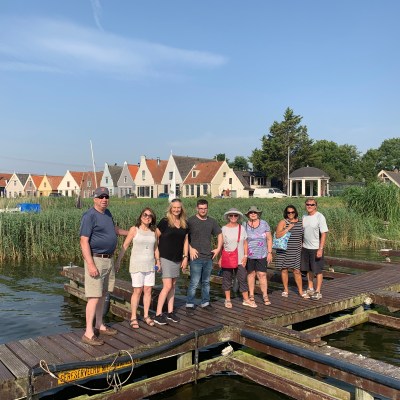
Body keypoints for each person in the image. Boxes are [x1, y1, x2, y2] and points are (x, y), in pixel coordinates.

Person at [80, 187, 128, 346]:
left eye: (106, 196)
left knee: (102, 295)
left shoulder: (107, 214)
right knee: (93, 297)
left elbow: (113, 230)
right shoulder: (89, 216)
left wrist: (130, 233)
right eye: (101, 197)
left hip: (108, 260)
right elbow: (84, 241)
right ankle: (88, 333)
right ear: (94, 199)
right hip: (96, 260)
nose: (104, 199)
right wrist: (91, 264)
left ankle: (99, 324)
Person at [115, 207, 160, 328]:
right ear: (141, 217)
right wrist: (118, 261)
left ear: (152, 219)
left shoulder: (153, 232)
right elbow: (125, 245)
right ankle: (133, 317)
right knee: (137, 291)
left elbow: (155, 247)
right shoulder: (134, 230)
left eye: (150, 216)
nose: (147, 217)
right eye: (145, 215)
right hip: (136, 265)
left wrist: (158, 261)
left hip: (150, 265)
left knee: (148, 291)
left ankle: (146, 316)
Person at [154, 199, 189, 325]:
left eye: (178, 207)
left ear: (181, 209)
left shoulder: (184, 223)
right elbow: (155, 237)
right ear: (170, 208)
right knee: (167, 286)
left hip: (177, 258)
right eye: (174, 207)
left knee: (173, 286)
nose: (176, 209)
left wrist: (185, 257)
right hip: (165, 257)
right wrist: (157, 257)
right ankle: (158, 314)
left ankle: (170, 312)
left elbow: (186, 241)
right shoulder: (165, 222)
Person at [186, 199, 223, 314]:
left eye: (205, 208)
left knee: (206, 282)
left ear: (207, 208)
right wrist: (190, 249)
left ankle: (205, 302)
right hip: (195, 257)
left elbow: (219, 234)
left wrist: (218, 248)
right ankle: (189, 304)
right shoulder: (190, 221)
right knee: (194, 282)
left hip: (208, 257)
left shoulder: (212, 221)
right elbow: (184, 236)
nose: (203, 210)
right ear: (197, 208)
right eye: (200, 208)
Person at [219, 208, 256, 308]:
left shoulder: (241, 228)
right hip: (227, 257)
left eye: (235, 215)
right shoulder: (224, 229)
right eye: (231, 215)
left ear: (238, 217)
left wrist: (245, 256)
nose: (233, 217)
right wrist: (220, 257)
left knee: (242, 278)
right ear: (228, 217)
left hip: (240, 258)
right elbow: (221, 245)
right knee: (227, 278)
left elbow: (245, 243)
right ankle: (227, 300)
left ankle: (246, 299)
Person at [275, 205, 308, 299]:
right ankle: (286, 290)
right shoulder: (283, 222)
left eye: (292, 212)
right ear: (286, 213)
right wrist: (287, 228)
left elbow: (303, 235)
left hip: (296, 250)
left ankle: (301, 291)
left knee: (297, 271)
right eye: (288, 212)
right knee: (284, 269)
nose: (290, 214)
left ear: (295, 212)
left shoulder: (301, 222)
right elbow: (277, 235)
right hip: (284, 249)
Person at [243, 206, 272, 306]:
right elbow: (244, 241)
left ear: (258, 214)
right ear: (248, 214)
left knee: (262, 275)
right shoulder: (244, 225)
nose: (253, 214)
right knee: (251, 274)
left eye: (255, 212)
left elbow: (269, 238)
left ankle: (265, 295)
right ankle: (251, 295)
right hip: (249, 255)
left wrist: (269, 252)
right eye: (251, 212)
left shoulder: (264, 224)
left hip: (262, 254)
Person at [301, 198, 329, 300]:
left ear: (315, 206)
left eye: (312, 205)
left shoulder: (320, 217)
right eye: (308, 204)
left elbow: (324, 233)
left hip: (316, 247)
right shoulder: (304, 217)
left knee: (318, 270)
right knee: (309, 269)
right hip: (305, 248)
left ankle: (318, 291)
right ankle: (310, 288)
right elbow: (302, 233)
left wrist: (320, 249)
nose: (309, 206)